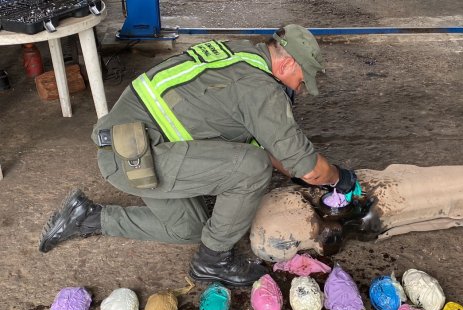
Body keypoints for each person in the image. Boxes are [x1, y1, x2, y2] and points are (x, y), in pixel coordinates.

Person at [39, 25, 359, 286]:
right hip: (135, 154)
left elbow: (277, 149)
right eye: (303, 80)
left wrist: (293, 167)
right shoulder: (260, 88)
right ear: (288, 63)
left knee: (191, 229)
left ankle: (87, 216)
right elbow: (307, 167)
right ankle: (212, 261)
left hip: (134, 145)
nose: (301, 89)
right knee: (253, 169)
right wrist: (340, 179)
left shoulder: (244, 53)